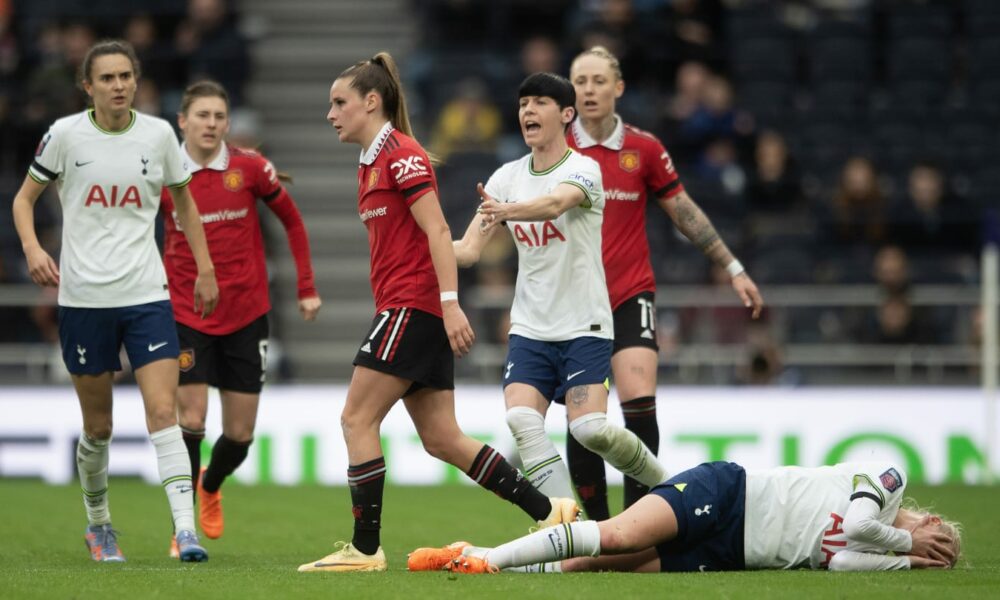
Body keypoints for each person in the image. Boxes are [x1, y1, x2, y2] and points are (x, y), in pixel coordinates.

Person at [297, 53, 579, 574]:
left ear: (371, 102)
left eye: (339, 103)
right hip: (414, 308)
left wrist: (450, 306)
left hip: (412, 306)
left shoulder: (401, 156)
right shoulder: (371, 161)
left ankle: (364, 549)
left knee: (356, 418)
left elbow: (436, 230)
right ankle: (550, 511)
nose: (330, 114)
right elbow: (426, 240)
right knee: (443, 439)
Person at [11, 40, 218, 562]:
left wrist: (205, 269)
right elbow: (23, 199)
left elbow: (186, 205)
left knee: (163, 412)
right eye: (107, 78)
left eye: (126, 75)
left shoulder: (159, 134)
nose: (119, 85)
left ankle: (185, 530)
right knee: (98, 427)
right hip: (84, 300)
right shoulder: (64, 135)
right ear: (88, 86)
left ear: (136, 79)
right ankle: (99, 525)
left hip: (147, 295)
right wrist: (33, 248)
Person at [451, 72, 668, 509]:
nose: (528, 111)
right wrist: (418, 246)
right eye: (523, 104)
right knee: (520, 418)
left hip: (584, 325)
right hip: (530, 327)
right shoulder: (506, 177)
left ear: (567, 114)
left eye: (539, 103)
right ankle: (565, 523)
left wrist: (506, 211)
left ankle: (669, 484)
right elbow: (469, 250)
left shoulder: (583, 170)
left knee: (589, 430)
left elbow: (554, 204)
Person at [565, 46, 763, 519]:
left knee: (639, 406)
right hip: (574, 303)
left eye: (598, 80)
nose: (589, 90)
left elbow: (684, 212)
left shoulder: (645, 149)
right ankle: (600, 529)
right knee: (584, 421)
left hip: (631, 294)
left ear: (618, 87)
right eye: (580, 81)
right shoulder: (556, 148)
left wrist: (733, 267)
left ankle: (637, 525)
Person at [159, 80, 322, 556]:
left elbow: (292, 220)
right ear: (182, 122)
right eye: (202, 115)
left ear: (227, 123)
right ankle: (183, 525)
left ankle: (210, 484)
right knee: (191, 419)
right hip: (186, 312)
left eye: (218, 116)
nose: (211, 124)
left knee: (240, 434)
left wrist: (306, 287)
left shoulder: (250, 168)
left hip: (247, 313)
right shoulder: (164, 174)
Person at [409, 461, 962, 574]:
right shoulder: (888, 481)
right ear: (931, 521)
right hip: (729, 495)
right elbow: (859, 524)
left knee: (597, 566)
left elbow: (841, 563)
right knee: (616, 535)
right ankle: (487, 561)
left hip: (732, 553)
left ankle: (466, 554)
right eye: (939, 542)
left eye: (941, 558)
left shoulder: (880, 550)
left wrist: (908, 564)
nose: (933, 551)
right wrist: (909, 546)